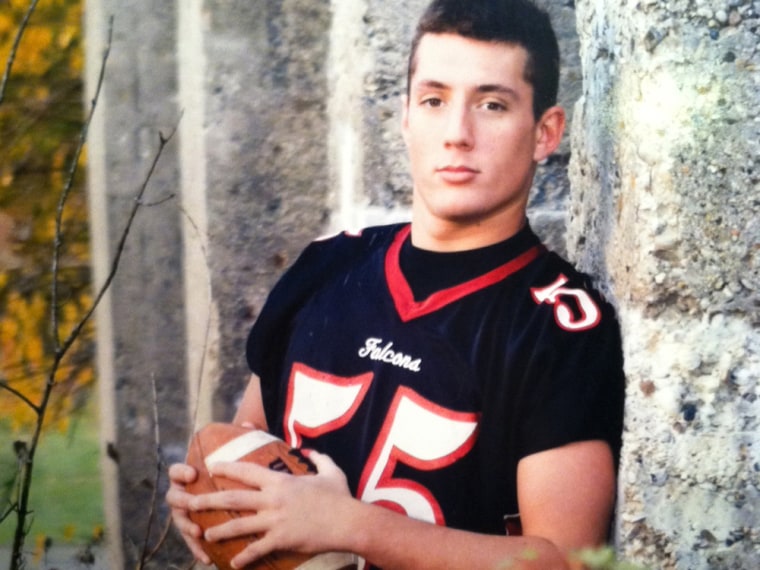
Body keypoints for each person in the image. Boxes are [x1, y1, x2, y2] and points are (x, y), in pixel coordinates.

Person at [167, 0, 625, 568]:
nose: (458, 134)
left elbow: (567, 561)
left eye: (492, 104)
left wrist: (354, 526)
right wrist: (214, 504)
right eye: (434, 100)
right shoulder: (326, 267)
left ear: (544, 133)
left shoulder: (559, 327)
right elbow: (249, 446)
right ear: (406, 115)